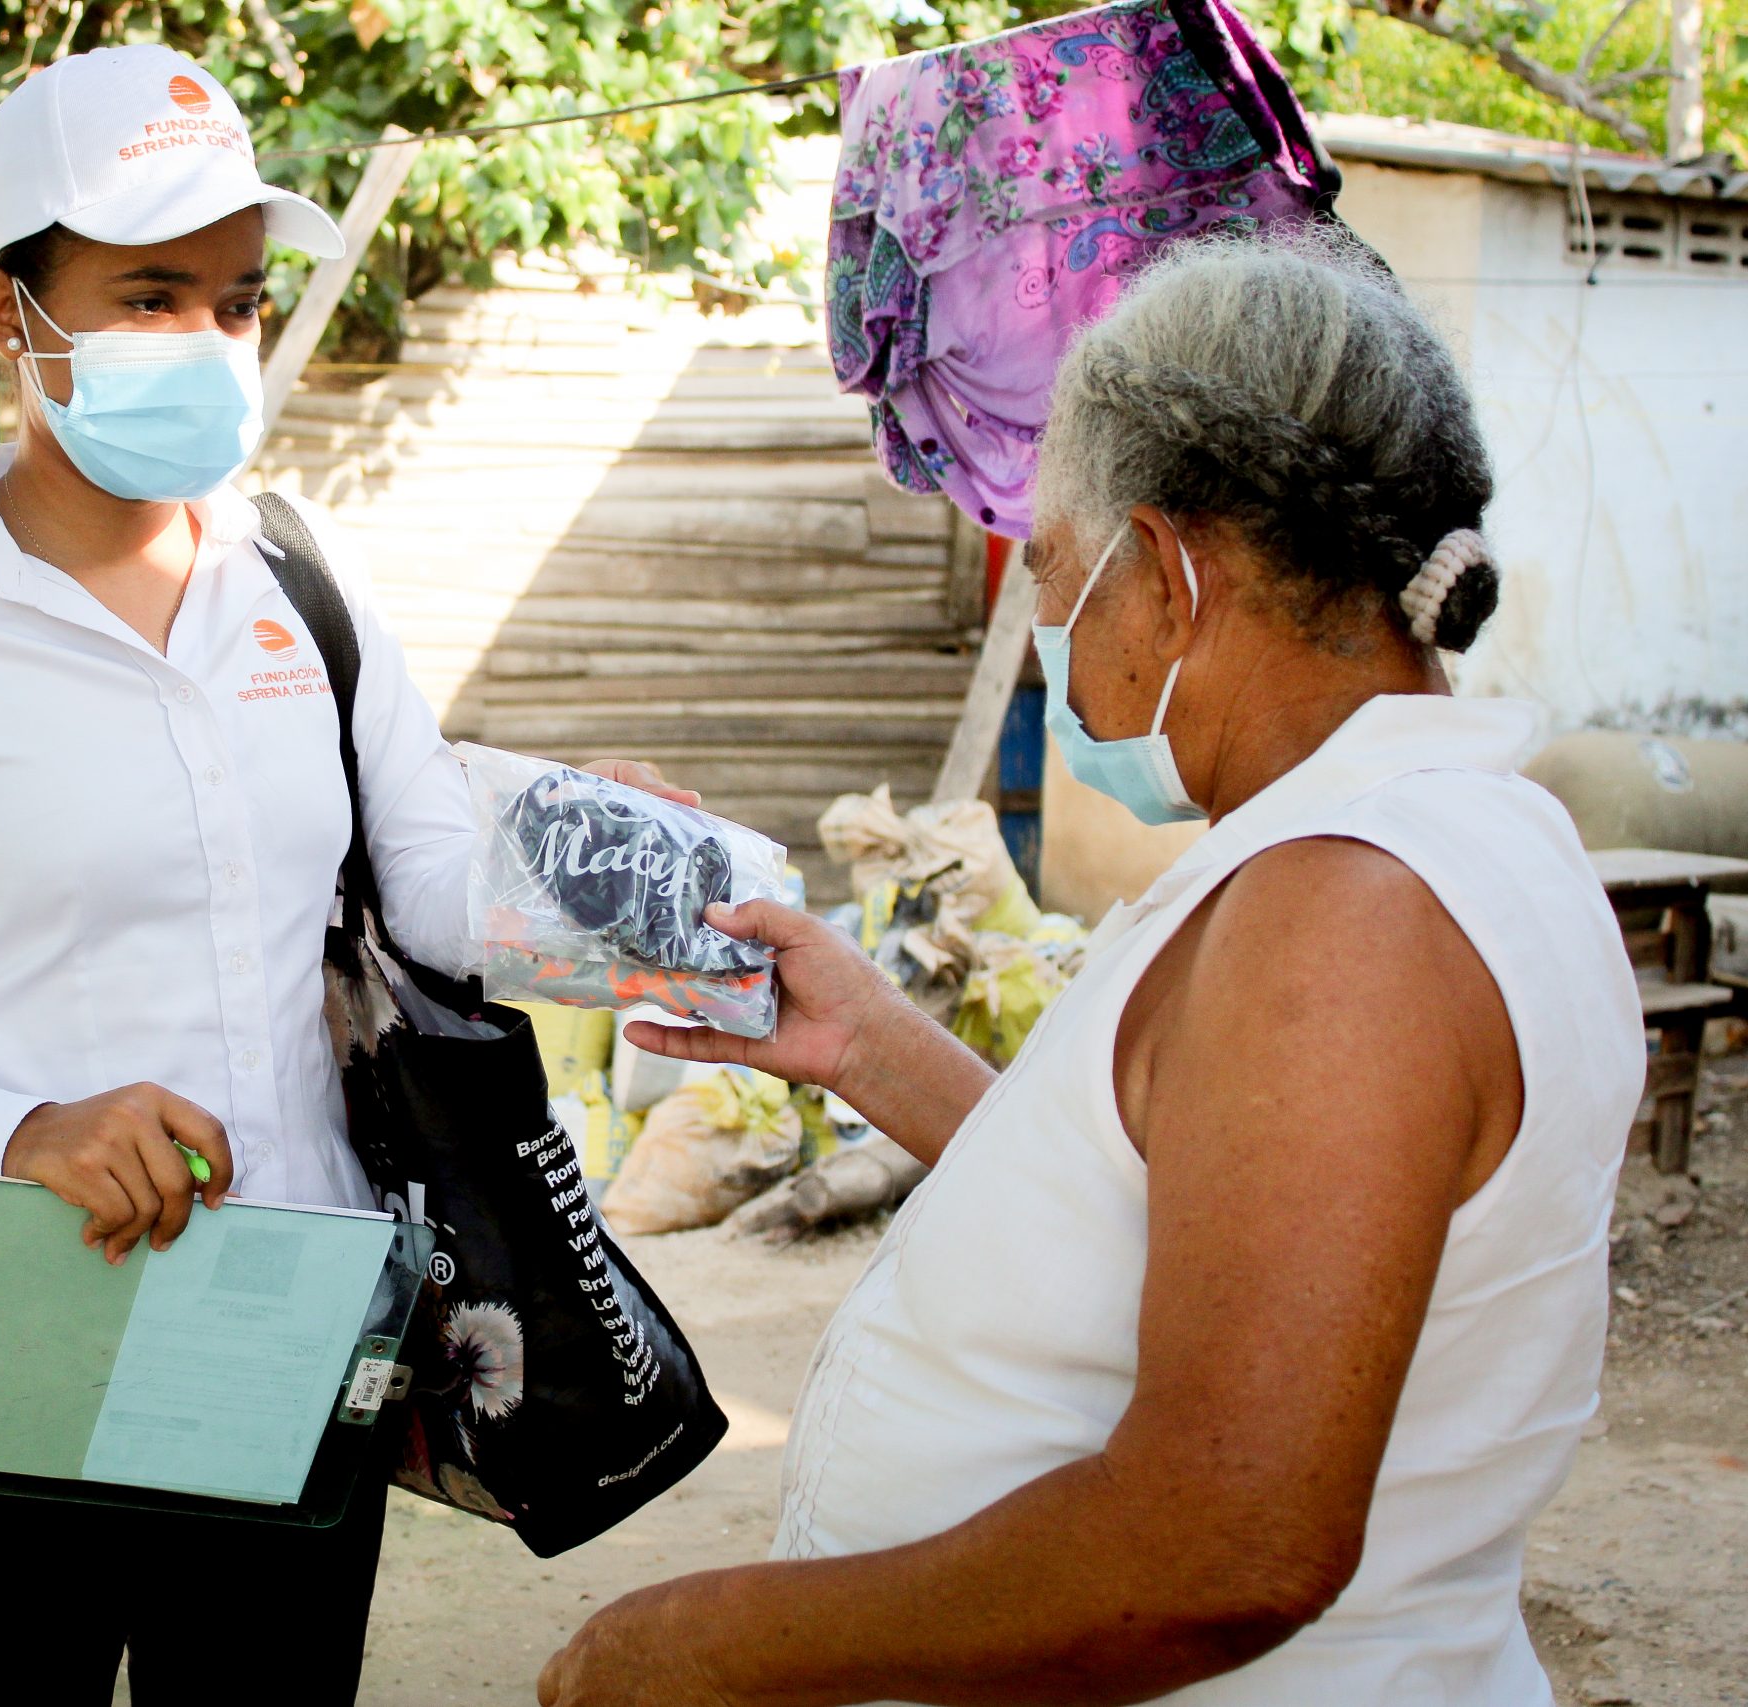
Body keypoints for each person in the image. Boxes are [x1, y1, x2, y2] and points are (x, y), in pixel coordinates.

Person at [0, 45, 680, 1705]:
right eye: (150, 294)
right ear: (12, 310)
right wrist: (18, 1133)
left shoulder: (301, 581)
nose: (210, 346)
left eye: (236, 300)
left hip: (290, 1337)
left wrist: (616, 869)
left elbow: (431, 877)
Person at [537, 228, 1642, 1706]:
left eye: (1055, 570)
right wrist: (875, 1046)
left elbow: (1222, 1542)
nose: (1052, 624)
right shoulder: (1404, 835)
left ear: (1172, 575)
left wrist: (710, 1639)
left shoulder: (1351, 910)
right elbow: (1193, 1203)